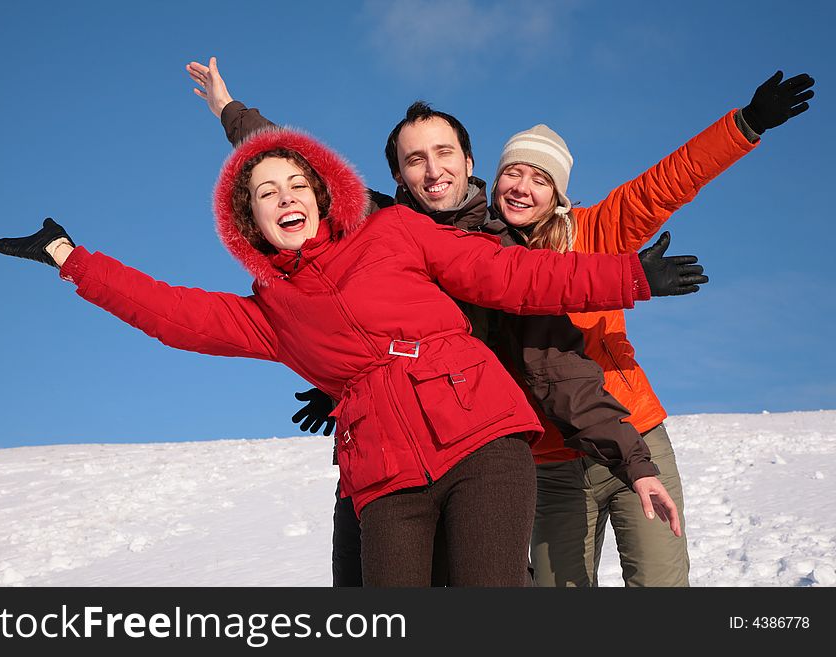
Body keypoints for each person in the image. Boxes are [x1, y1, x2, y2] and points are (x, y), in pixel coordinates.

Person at [0, 126, 682, 586]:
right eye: (265, 194)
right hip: (383, 475)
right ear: (250, 222)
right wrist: (70, 257)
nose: (284, 197)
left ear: (321, 195)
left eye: (295, 184)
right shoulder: (270, 313)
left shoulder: (395, 233)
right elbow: (171, 313)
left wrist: (627, 276)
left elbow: (513, 277)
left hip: (482, 441)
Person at [185, 57, 707, 587]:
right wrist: (229, 110)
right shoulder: (377, 227)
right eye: (415, 160)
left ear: (468, 159)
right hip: (388, 461)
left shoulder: (503, 248)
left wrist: (634, 460)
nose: (433, 171)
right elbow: (295, 170)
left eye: (443, 153)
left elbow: (556, 366)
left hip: (477, 455)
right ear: (398, 175)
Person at [486, 70, 814, 586]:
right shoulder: (477, 258)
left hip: (633, 434)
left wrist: (744, 125)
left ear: (558, 192)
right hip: (551, 466)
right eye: (513, 174)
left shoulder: (596, 231)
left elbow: (666, 183)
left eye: (540, 177)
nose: (523, 187)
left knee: (659, 588)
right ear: (496, 178)